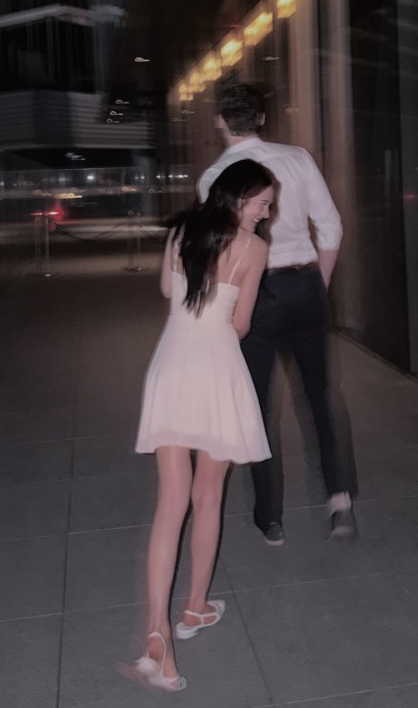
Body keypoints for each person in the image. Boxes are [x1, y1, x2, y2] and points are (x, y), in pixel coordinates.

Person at [125, 159, 275, 693]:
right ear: (239, 197)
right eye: (262, 202)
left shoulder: (181, 231)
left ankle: (157, 631)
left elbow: (170, 292)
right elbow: (240, 324)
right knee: (208, 496)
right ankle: (193, 608)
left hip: (171, 366)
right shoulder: (254, 249)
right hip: (217, 372)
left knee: (170, 504)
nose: (266, 212)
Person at [198, 82, 356, 546]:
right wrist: (316, 283)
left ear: (219, 121)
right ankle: (340, 502)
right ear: (262, 119)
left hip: (255, 295)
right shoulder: (298, 159)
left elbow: (221, 252)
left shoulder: (214, 177)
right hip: (305, 284)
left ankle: (271, 519)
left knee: (258, 404)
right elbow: (330, 227)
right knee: (320, 395)